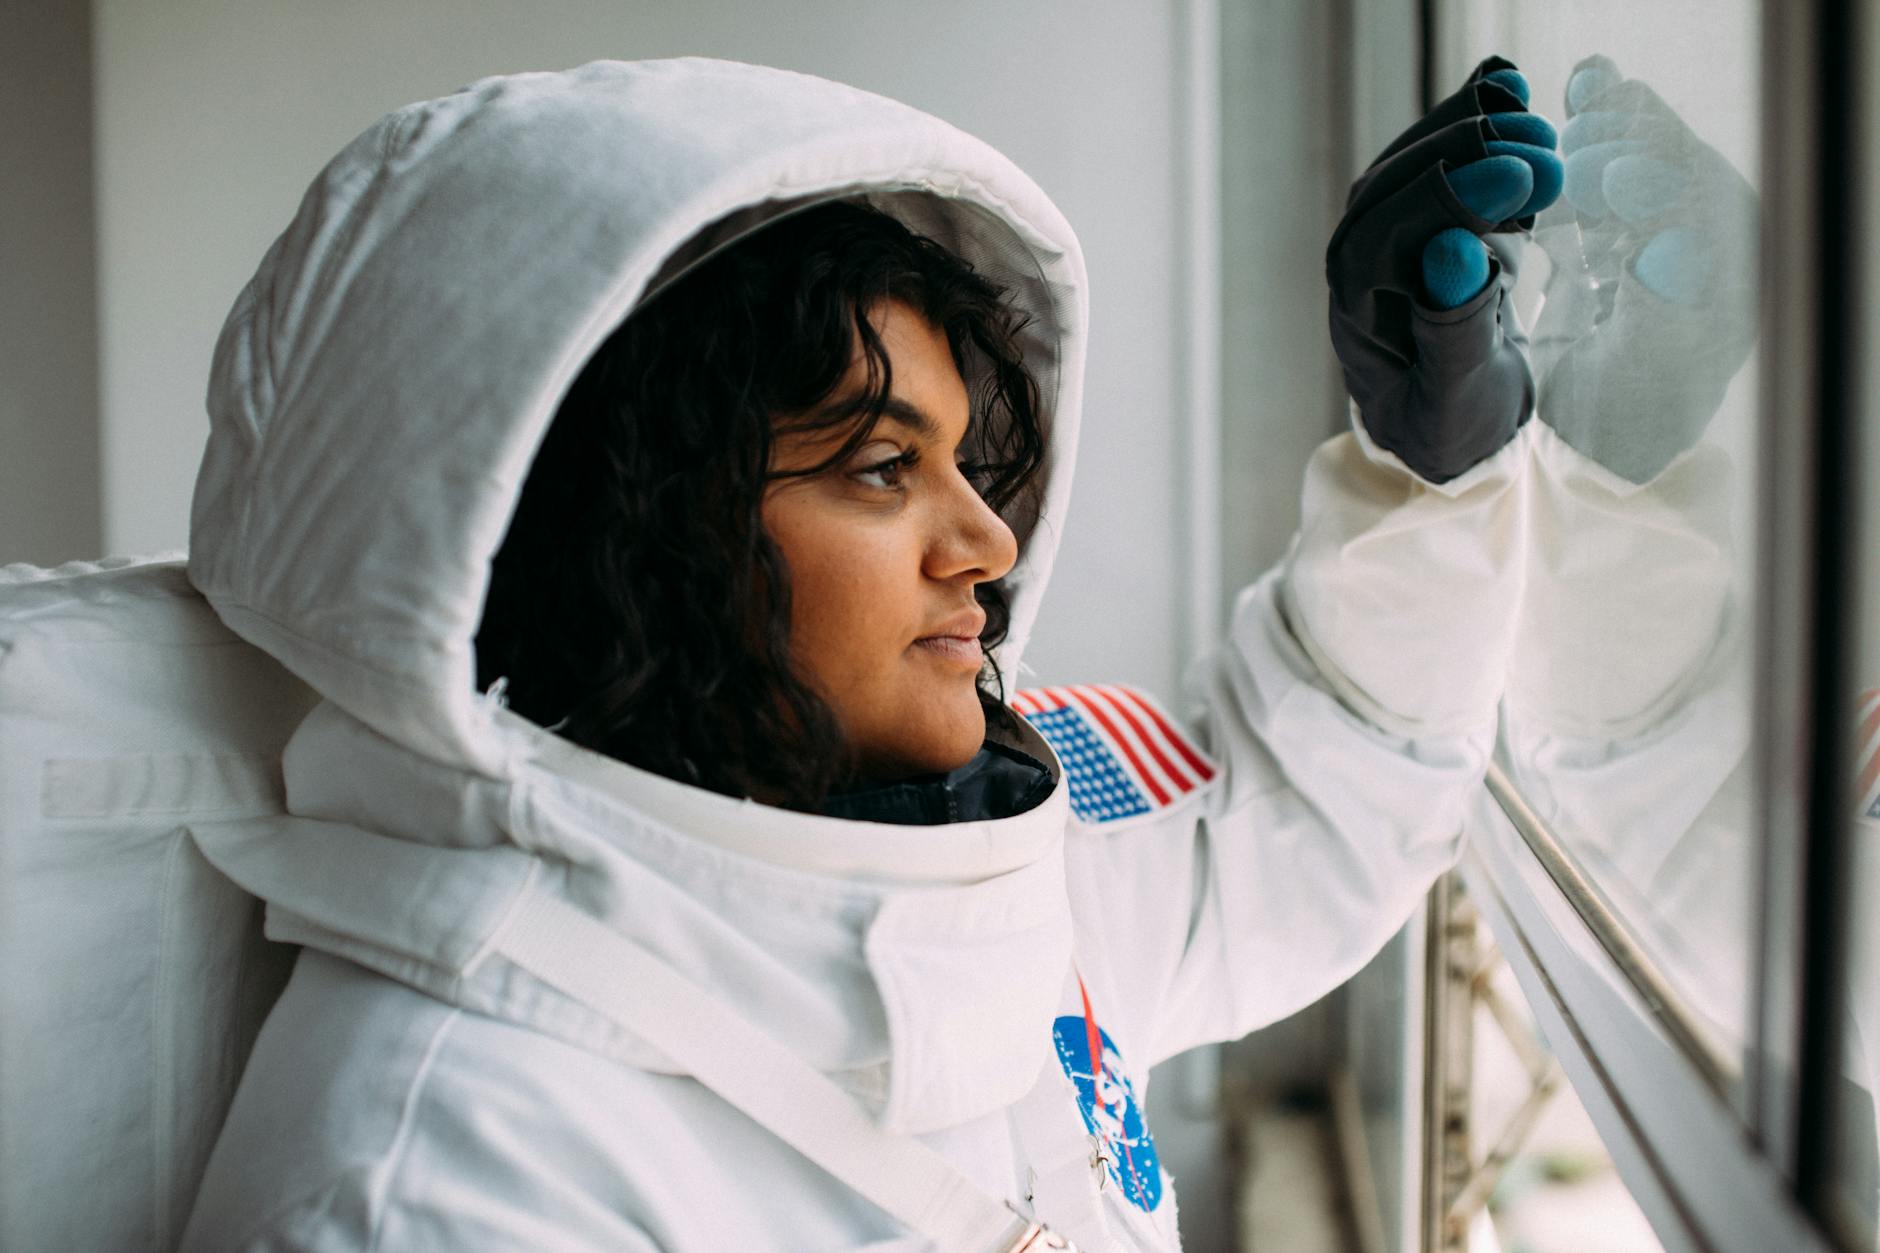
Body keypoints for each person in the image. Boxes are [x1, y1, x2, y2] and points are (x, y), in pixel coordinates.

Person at [178, 56, 1560, 1251]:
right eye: (884, 465)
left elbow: (1291, 815)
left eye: (970, 462)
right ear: (609, 518)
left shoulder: (977, 862)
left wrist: (1431, 476)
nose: (988, 545)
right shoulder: (446, 1167)